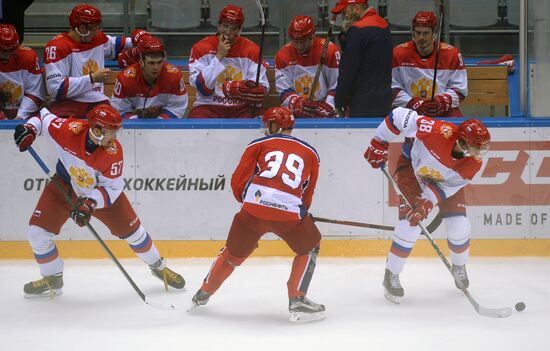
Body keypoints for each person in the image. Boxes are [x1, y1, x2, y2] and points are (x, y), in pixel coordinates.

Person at [13, 104, 185, 298]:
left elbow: (112, 188)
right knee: (37, 234)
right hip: (65, 184)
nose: (115, 138)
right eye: (112, 133)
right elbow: (42, 116)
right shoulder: (68, 130)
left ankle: (158, 267)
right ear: (96, 130)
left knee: (135, 234)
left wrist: (90, 203)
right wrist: (30, 129)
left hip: (99, 193)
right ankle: (52, 278)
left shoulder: (113, 153)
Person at [190, 107, 325, 322]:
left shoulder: (257, 144)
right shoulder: (311, 153)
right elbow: (307, 191)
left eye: (266, 125)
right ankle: (297, 299)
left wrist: (255, 202)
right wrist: (301, 212)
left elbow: (238, 182)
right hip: (289, 214)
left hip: (252, 209)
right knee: (310, 246)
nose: (264, 129)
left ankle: (203, 293)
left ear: (274, 126)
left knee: (233, 252)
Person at [364, 107, 491, 304]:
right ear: (463, 143)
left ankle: (459, 266)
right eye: (477, 147)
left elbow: (447, 187)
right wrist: (379, 142)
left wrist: (426, 203)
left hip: (442, 183)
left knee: (459, 225)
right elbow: (398, 115)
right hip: (412, 171)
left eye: (483, 148)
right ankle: (392, 274)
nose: (480, 153)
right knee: (410, 226)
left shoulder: (473, 163)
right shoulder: (436, 130)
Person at [44, 4, 132, 118]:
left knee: (111, 122)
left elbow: (119, 44)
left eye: (98, 27)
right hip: (66, 103)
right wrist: (92, 78)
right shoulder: (57, 47)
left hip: (97, 101)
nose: (97, 31)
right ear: (81, 28)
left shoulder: (97, 38)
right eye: (94, 27)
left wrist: (141, 38)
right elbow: (56, 89)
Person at [187, 4, 269, 118]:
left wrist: (244, 89)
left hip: (243, 108)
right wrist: (219, 56)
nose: (228, 32)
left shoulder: (253, 50)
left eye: (233, 28)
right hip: (209, 107)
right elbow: (202, 89)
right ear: (219, 26)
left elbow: (261, 92)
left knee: (265, 118)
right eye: (225, 26)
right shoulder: (200, 48)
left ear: (240, 30)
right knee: (196, 118)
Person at [392, 11, 467, 117]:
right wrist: (413, 103)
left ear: (434, 33)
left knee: (457, 125)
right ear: (413, 33)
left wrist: (442, 102)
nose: (421, 37)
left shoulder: (452, 54)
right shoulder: (398, 53)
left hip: (442, 111)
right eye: (418, 33)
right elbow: (392, 88)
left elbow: (460, 89)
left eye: (426, 33)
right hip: (408, 110)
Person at [331, 0, 392, 117]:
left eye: (345, 12)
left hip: (361, 102)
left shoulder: (358, 30)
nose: (344, 17)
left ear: (357, 8)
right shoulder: (384, 25)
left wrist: (339, 102)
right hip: (384, 101)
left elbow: (347, 71)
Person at [274, 16, 338, 118]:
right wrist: (298, 104)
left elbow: (336, 85)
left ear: (313, 36)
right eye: (295, 41)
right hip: (297, 114)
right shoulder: (283, 55)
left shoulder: (329, 51)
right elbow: (283, 90)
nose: (299, 46)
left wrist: (327, 107)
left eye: (303, 41)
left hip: (326, 113)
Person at [111, 36, 188, 119]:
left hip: (164, 127)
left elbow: (177, 108)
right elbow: (119, 112)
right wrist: (139, 119)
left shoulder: (174, 76)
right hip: (134, 128)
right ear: (141, 62)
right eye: (151, 63)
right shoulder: (125, 79)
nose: (156, 67)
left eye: (159, 62)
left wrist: (157, 121)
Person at [0, 23, 43, 120]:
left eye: (11, 52)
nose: (7, 56)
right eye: (3, 52)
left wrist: (20, 116)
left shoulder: (29, 57)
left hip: (26, 115)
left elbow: (35, 94)